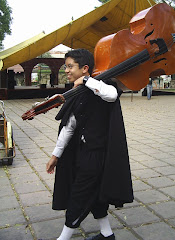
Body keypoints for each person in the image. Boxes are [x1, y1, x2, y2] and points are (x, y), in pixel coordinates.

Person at [46, 49, 134, 240]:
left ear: (85, 68)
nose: (67, 71)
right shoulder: (76, 94)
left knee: (78, 196)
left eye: (70, 67)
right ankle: (107, 234)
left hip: (98, 154)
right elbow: (69, 127)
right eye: (66, 67)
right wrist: (56, 155)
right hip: (82, 152)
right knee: (94, 195)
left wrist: (86, 81)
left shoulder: (102, 85)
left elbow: (112, 95)